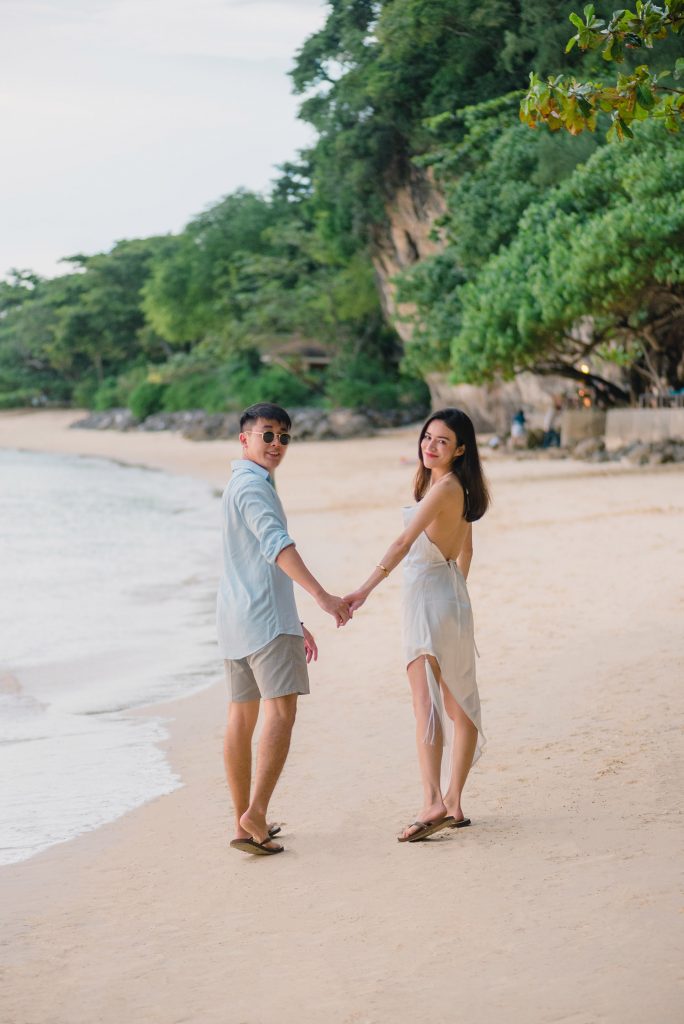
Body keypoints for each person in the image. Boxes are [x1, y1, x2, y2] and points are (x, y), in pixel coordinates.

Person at [344, 408, 489, 843]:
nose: (430, 445)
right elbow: (465, 549)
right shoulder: (459, 488)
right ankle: (454, 802)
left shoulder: (443, 488)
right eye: (428, 437)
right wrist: (454, 588)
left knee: (425, 705)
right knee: (458, 701)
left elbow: (404, 542)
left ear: (460, 449)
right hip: (449, 597)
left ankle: (433, 803)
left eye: (443, 441)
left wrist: (363, 589)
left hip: (427, 599)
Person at [217, 402, 350, 856]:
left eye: (284, 437)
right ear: (244, 439)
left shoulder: (240, 483)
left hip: (237, 619)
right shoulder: (253, 488)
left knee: (242, 715)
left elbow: (255, 561)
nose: (276, 444)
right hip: (265, 621)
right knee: (280, 713)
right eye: (267, 435)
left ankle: (245, 821)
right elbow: (277, 546)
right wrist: (322, 597)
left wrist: (292, 616)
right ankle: (254, 813)